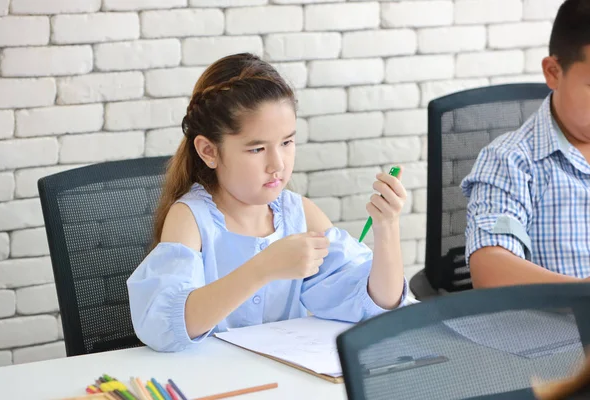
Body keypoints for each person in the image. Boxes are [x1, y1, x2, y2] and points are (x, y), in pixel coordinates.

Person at [126, 53, 410, 352]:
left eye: (287, 142)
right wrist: (264, 267)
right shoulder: (191, 218)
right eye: (257, 149)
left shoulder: (300, 214)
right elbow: (163, 327)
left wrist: (387, 226)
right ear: (209, 151)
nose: (277, 164)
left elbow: (376, 306)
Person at [461, 0, 590, 288]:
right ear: (553, 72)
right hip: (556, 327)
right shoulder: (510, 160)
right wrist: (583, 296)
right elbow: (490, 269)